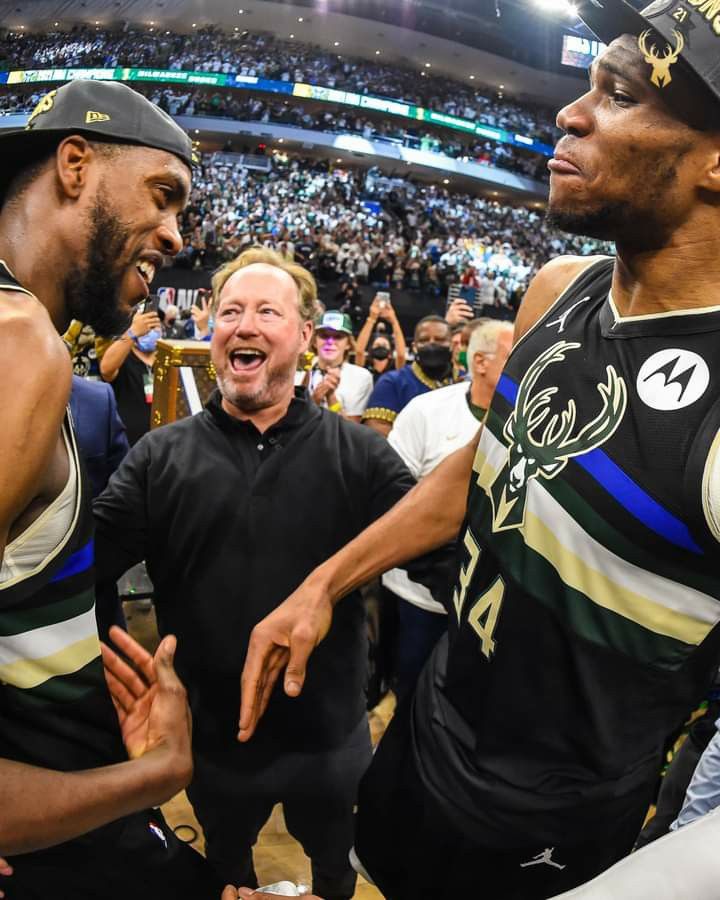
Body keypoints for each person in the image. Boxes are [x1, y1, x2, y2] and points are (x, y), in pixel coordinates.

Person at [238, 4, 720, 897]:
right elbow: (489, 465)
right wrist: (324, 584)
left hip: (554, 832)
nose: (571, 114)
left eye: (617, 93)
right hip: (429, 738)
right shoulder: (558, 288)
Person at [93, 247, 415, 898]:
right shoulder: (161, 457)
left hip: (330, 739)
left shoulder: (359, 454)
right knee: (226, 870)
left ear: (303, 336)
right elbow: (83, 564)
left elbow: (440, 554)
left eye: (268, 311)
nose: (245, 325)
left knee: (336, 870)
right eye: (231, 311)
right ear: (212, 330)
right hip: (214, 743)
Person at [0, 78, 225, 898]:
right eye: (164, 197)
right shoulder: (23, 345)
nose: (173, 235)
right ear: (74, 164)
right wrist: (159, 771)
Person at [384, 319, 513, 700]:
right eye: (513, 355)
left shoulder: (537, 423)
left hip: (492, 605)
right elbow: (390, 495)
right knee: (409, 689)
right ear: (480, 363)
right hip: (419, 595)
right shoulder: (425, 411)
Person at [362, 315, 454, 436]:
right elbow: (376, 429)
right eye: (424, 340)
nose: (432, 344)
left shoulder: (466, 382)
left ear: (452, 345)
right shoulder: (393, 382)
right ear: (414, 347)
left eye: (440, 339)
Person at [100, 303, 162, 446]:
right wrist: (132, 333)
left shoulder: (165, 360)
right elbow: (106, 369)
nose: (149, 330)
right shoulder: (123, 357)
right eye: (145, 326)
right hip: (127, 445)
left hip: (160, 443)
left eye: (154, 325)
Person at [302, 309, 373, 422]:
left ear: (348, 344)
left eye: (338, 337)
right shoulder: (299, 372)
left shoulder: (361, 377)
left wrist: (331, 398)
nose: (330, 341)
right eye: (324, 336)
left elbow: (352, 431)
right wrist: (315, 399)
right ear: (314, 342)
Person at [354, 294, 407, 381]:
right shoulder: (364, 368)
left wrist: (394, 321)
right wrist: (372, 318)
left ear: (390, 353)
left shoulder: (395, 370)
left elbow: (401, 355)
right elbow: (359, 351)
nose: (380, 347)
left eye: (384, 345)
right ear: (371, 350)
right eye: (377, 344)